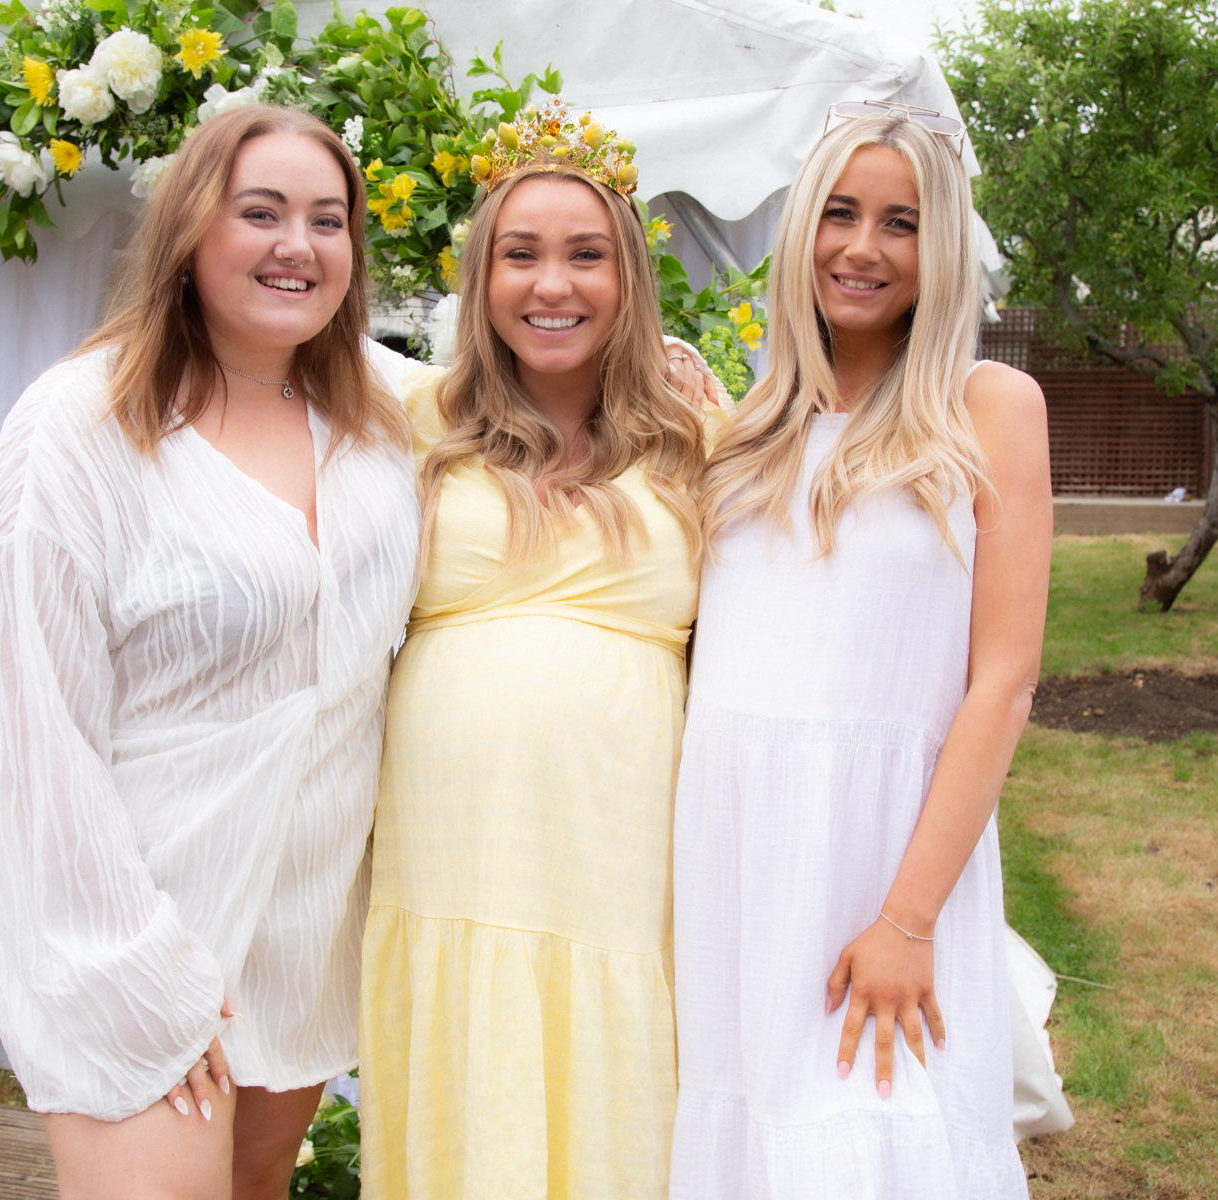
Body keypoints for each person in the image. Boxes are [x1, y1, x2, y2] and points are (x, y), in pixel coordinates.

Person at [0, 105, 418, 1200]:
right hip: (141, 920)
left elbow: (533, 393)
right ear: (190, 228)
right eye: (261, 213)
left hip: (300, 937)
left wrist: (674, 371)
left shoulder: (382, 410)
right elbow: (30, 731)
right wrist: (138, 974)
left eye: (328, 220)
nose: (298, 245)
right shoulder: (81, 425)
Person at [670, 106, 1051, 1199]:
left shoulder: (987, 406)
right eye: (839, 214)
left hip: (882, 856)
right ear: (803, 230)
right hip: (734, 856)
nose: (862, 247)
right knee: (748, 1139)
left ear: (941, 249)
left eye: (901, 223)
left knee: (878, 1140)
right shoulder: (750, 426)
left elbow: (1003, 683)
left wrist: (906, 920)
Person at [358, 104, 720, 1200]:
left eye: (585, 255)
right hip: (450, 854)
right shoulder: (410, 421)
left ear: (630, 278)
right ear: (481, 278)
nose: (551, 284)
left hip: (621, 861)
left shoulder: (702, 437)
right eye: (520, 254)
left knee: (614, 1108)